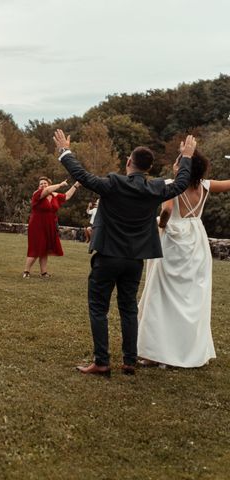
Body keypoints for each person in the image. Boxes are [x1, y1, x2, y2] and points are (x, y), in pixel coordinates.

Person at [54, 129, 196, 376]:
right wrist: (186, 157)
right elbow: (182, 182)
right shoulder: (156, 188)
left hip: (108, 256)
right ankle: (129, 361)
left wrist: (65, 151)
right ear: (149, 168)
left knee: (99, 308)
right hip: (135, 260)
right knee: (129, 308)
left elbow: (82, 175)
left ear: (128, 162)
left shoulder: (112, 183)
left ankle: (102, 362)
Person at [137, 150, 230, 368]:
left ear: (183, 165)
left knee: (161, 295)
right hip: (196, 241)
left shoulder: (172, 184)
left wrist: (161, 225)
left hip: (173, 239)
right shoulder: (205, 186)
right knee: (190, 297)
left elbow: (168, 210)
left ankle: (155, 353)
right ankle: (182, 351)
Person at [22, 177, 80, 278]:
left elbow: (67, 196)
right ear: (38, 186)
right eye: (41, 184)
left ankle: (43, 272)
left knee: (45, 248)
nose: (43, 185)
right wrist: (60, 185)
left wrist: (76, 185)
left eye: (45, 183)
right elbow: (47, 190)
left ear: (49, 184)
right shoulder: (37, 194)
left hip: (50, 225)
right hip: (37, 225)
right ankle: (26, 271)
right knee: (36, 247)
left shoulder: (54, 195)